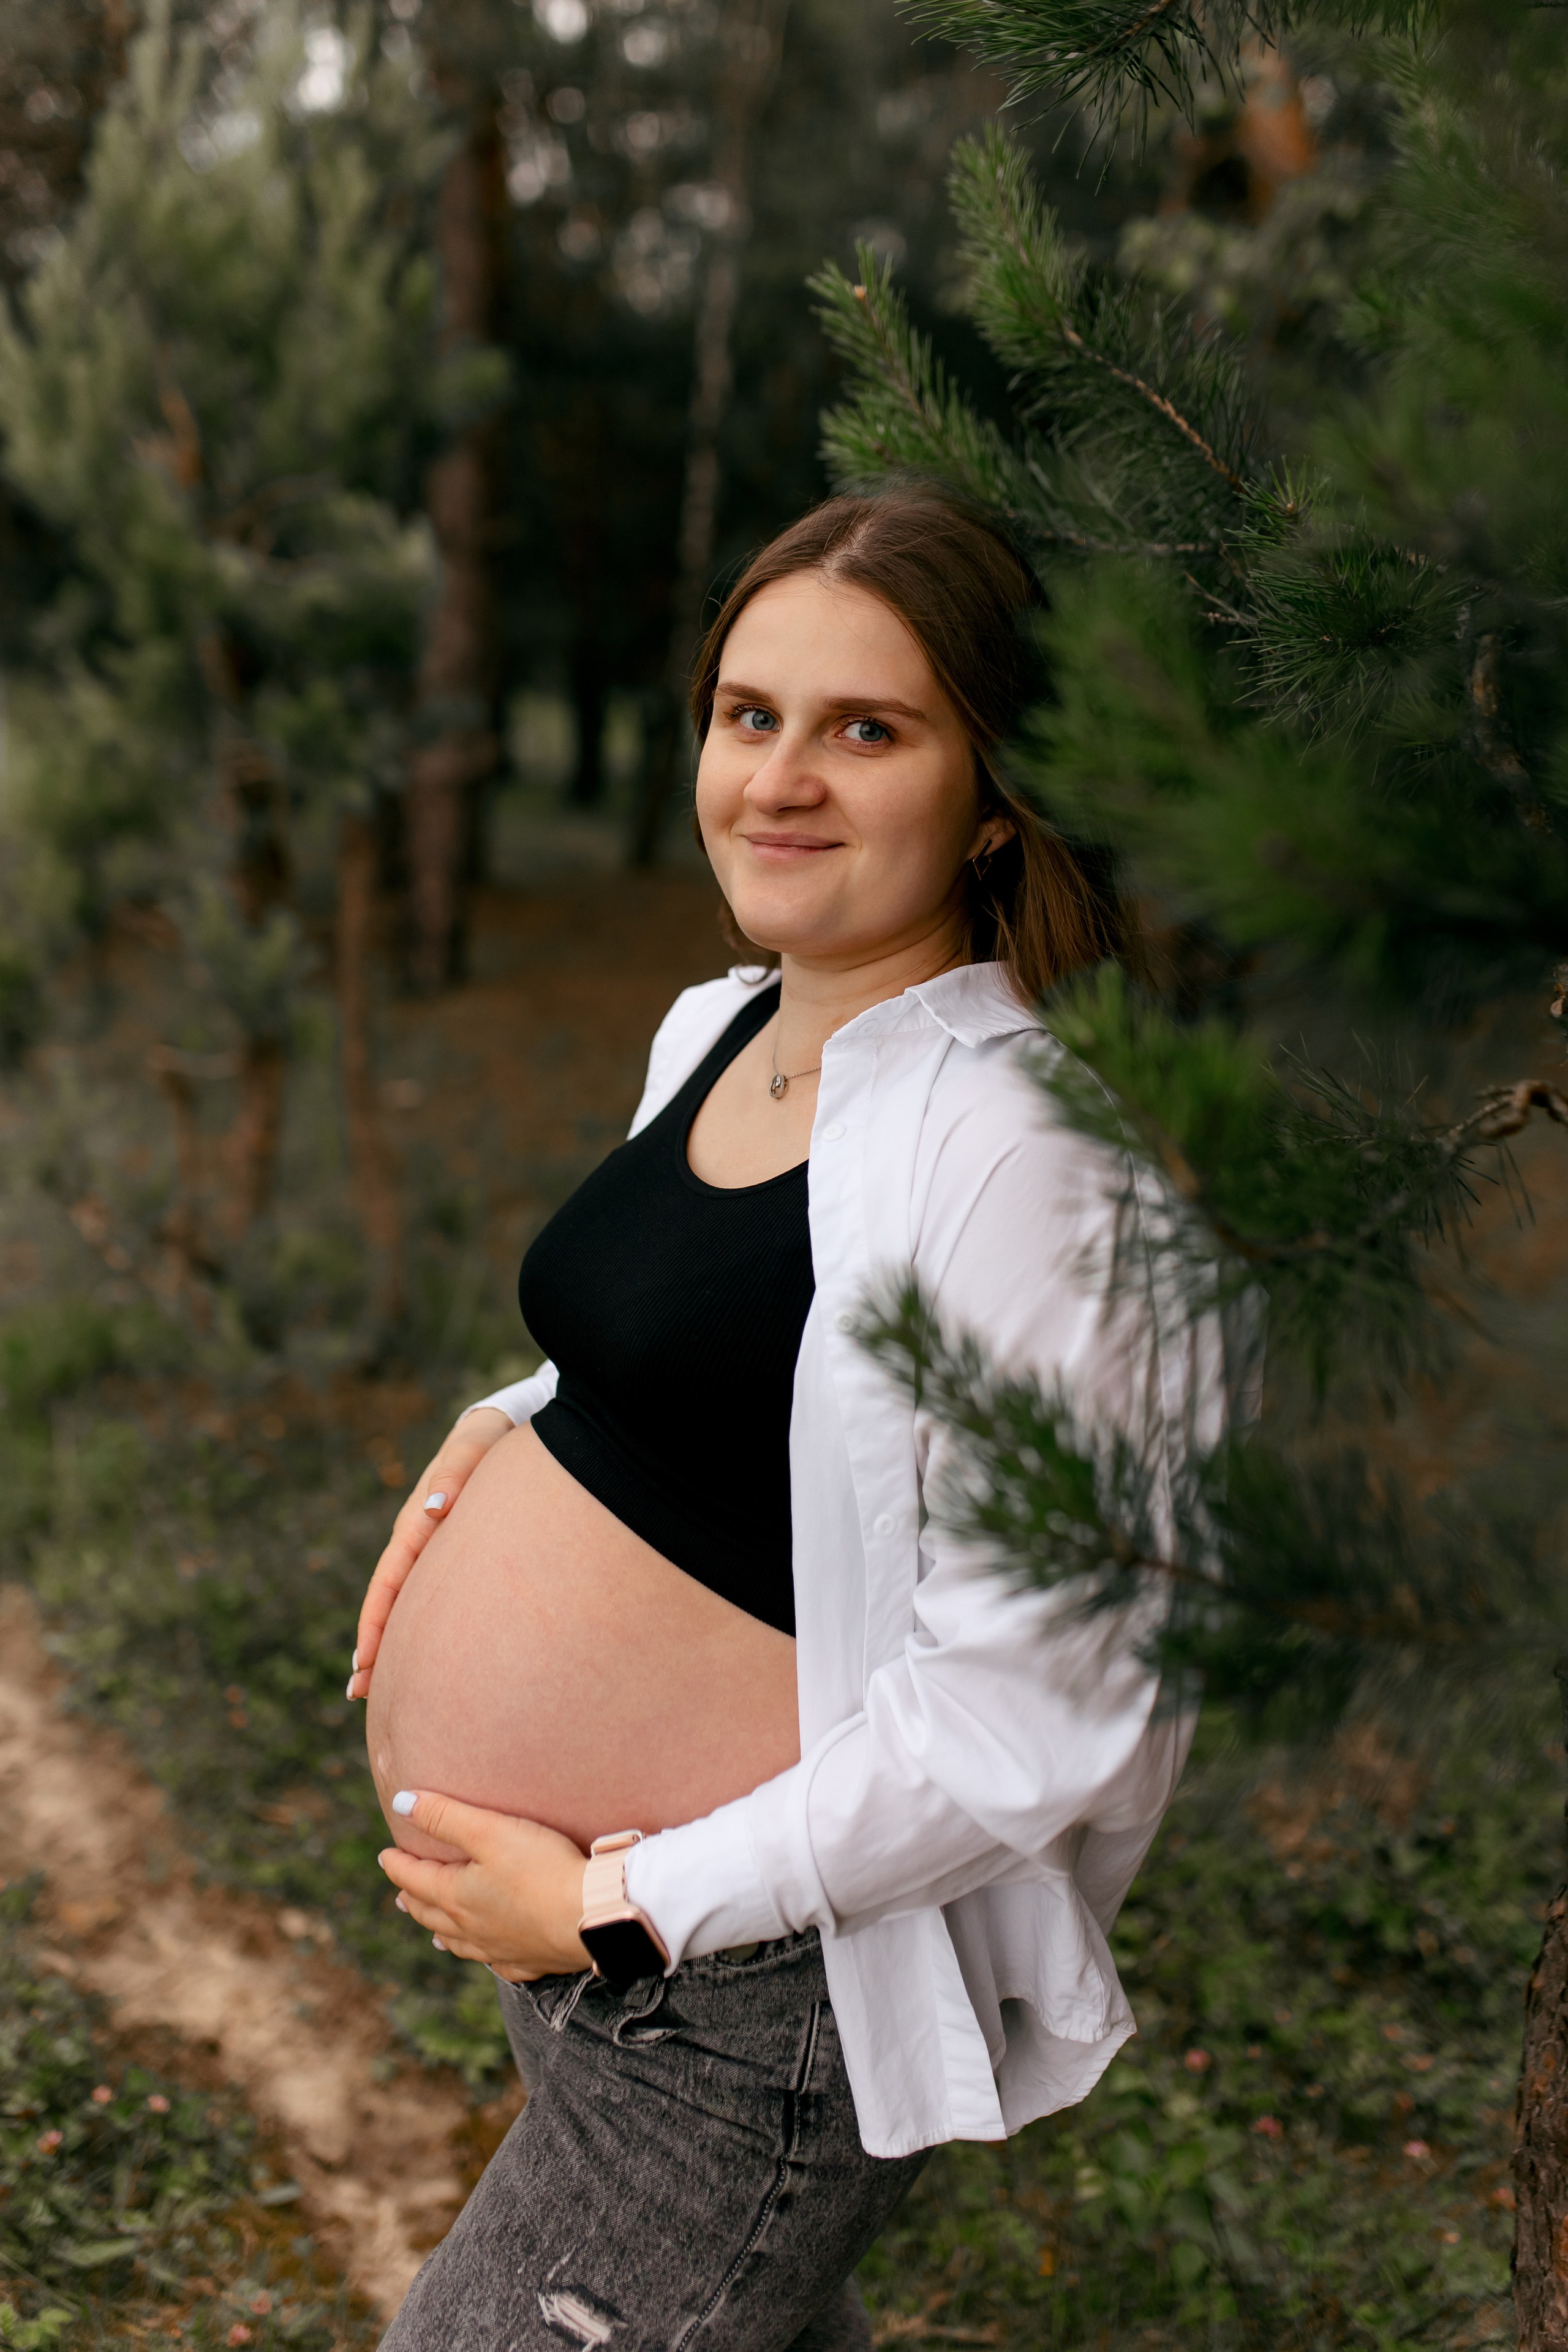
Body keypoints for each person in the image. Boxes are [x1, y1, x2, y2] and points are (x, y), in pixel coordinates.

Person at [349, 489, 1233, 2351]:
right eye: (751, 716)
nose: (782, 779)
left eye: (869, 729)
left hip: (739, 2006)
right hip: (609, 1965)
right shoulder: (722, 1029)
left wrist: (617, 1902)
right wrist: (508, 1419)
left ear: (996, 792)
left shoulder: (1033, 1155)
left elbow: (1039, 1703)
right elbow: (711, 1362)